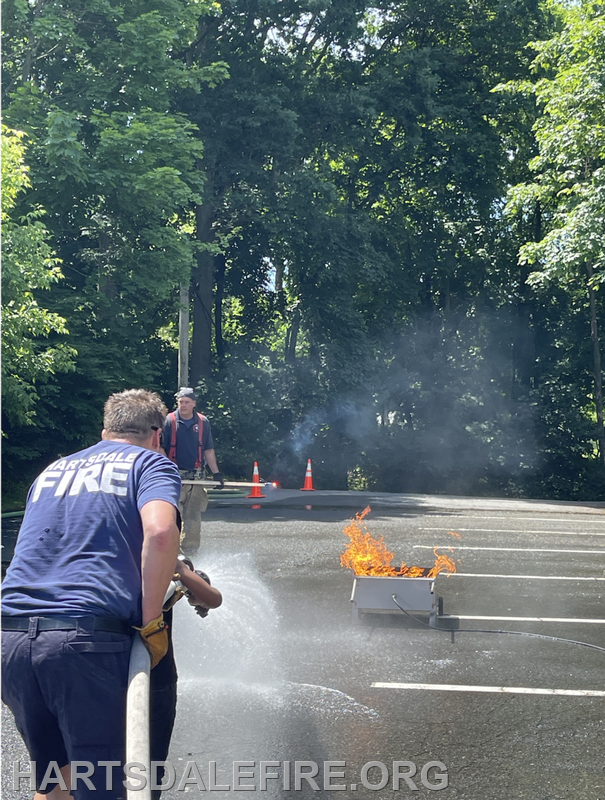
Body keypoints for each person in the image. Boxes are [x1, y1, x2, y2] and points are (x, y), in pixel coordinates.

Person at [1, 389, 182, 800]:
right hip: (84, 642)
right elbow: (159, 531)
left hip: (10, 639)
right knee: (106, 788)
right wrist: (151, 621)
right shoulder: (150, 463)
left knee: (58, 782)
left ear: (105, 431)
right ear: (157, 434)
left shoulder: (52, 471)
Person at [150, 554, 222, 800]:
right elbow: (212, 598)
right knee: (148, 768)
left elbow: (208, 594)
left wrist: (187, 577)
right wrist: (183, 569)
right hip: (155, 679)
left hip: (102, 672)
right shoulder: (161, 557)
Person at [161, 387, 224, 554]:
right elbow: (160, 449)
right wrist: (166, 471)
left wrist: (216, 474)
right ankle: (171, 555)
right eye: (180, 402)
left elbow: (208, 450)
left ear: (194, 403)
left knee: (193, 519)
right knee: (173, 518)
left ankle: (190, 554)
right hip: (175, 478)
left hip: (196, 478)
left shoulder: (203, 422)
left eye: (186, 402)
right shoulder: (169, 421)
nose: (183, 405)